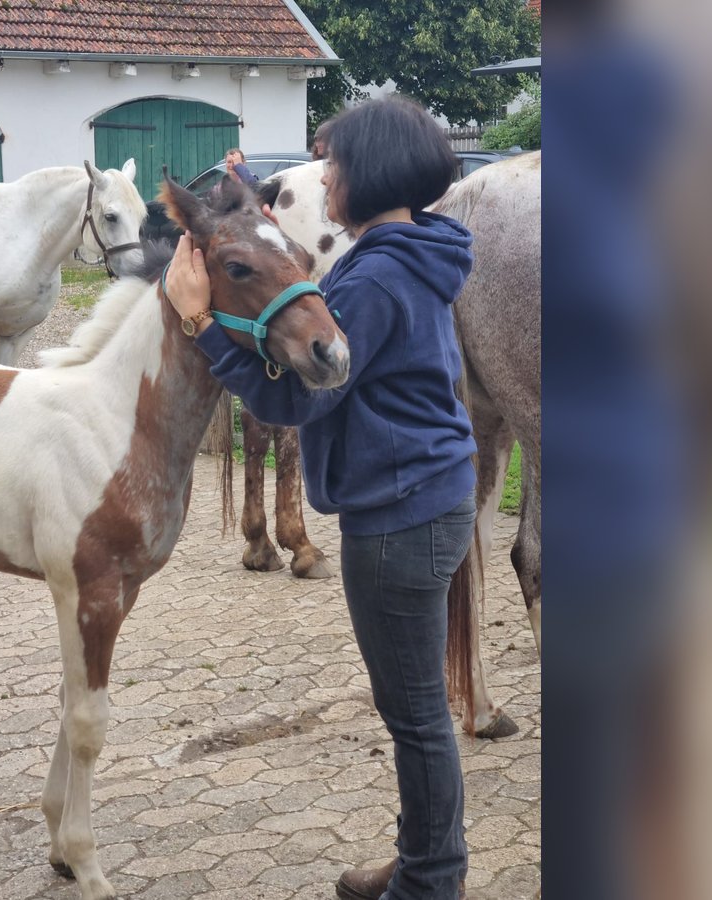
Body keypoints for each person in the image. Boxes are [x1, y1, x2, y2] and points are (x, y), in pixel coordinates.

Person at [165, 96, 475, 900]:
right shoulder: (420, 249)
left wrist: (202, 329)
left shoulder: (373, 274)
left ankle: (431, 882)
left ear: (364, 174)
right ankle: (420, 860)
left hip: (397, 514)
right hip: (434, 492)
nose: (324, 179)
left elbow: (300, 401)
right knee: (416, 710)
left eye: (333, 164)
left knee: (414, 718)